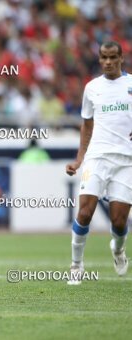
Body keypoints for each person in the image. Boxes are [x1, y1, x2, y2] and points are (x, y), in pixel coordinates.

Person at [66, 41, 132, 285]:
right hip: (97, 156)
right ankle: (76, 264)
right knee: (85, 212)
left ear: (121, 58)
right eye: (103, 57)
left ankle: (118, 250)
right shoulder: (92, 88)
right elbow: (87, 124)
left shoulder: (131, 84)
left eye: (112, 57)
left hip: (127, 160)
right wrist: (80, 158)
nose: (107, 62)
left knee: (119, 221)